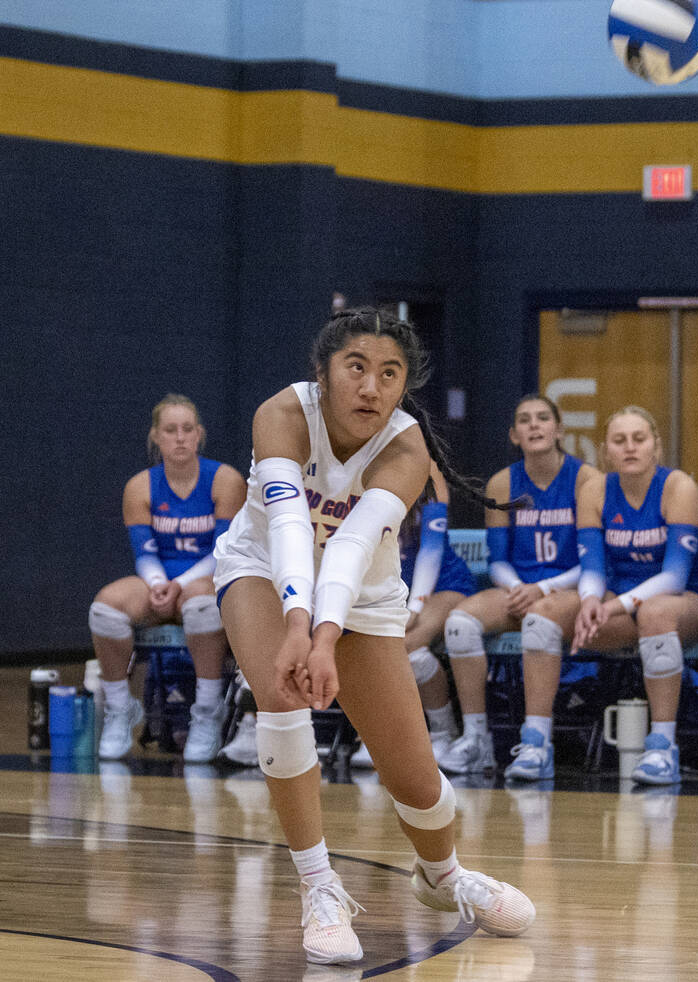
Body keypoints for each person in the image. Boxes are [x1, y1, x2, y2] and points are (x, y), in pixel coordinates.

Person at [212, 307, 534, 964]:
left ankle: (442, 875)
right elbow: (290, 529)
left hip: (363, 592)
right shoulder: (282, 414)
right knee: (281, 704)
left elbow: (354, 546)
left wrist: (324, 637)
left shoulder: (407, 446)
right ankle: (320, 889)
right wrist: (299, 627)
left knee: (418, 781)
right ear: (323, 373)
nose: (371, 387)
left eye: (390, 373)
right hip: (263, 567)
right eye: (356, 367)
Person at [438, 395, 599, 781]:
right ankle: (477, 739)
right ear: (514, 434)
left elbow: (593, 559)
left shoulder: (587, 480)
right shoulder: (503, 483)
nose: (534, 425)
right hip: (519, 589)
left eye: (543, 418)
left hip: (571, 587)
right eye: (524, 420)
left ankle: (536, 744)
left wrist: (542, 588)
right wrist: (517, 588)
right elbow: (497, 561)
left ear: (559, 429)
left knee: (539, 623)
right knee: (459, 623)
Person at [88, 394, 246, 762]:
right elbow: (144, 552)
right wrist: (160, 583)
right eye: (170, 430)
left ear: (199, 435)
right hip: (159, 580)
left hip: (207, 577)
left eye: (187, 429)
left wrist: (179, 585)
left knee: (203, 602)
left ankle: (207, 713)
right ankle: (118, 709)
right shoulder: (140, 486)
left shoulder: (225, 480)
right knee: (104, 608)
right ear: (155, 437)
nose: (179, 438)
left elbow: (222, 552)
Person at [572, 406, 698, 785]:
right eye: (620, 441)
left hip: (689, 602)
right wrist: (590, 600)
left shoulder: (678, 487)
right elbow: (591, 567)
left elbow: (673, 577)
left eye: (640, 439)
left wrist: (611, 605)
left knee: (655, 614)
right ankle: (536, 741)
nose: (630, 448)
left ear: (656, 446)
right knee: (546, 616)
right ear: (605, 451)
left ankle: (662, 747)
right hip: (620, 604)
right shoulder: (594, 490)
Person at [351, 462, 474, 769]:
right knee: (364, 646)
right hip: (387, 586)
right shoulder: (360, 468)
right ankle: (379, 734)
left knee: (404, 645)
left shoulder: (428, 472)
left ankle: (443, 733)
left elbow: (431, 550)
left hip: (443, 584)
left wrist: (416, 607)